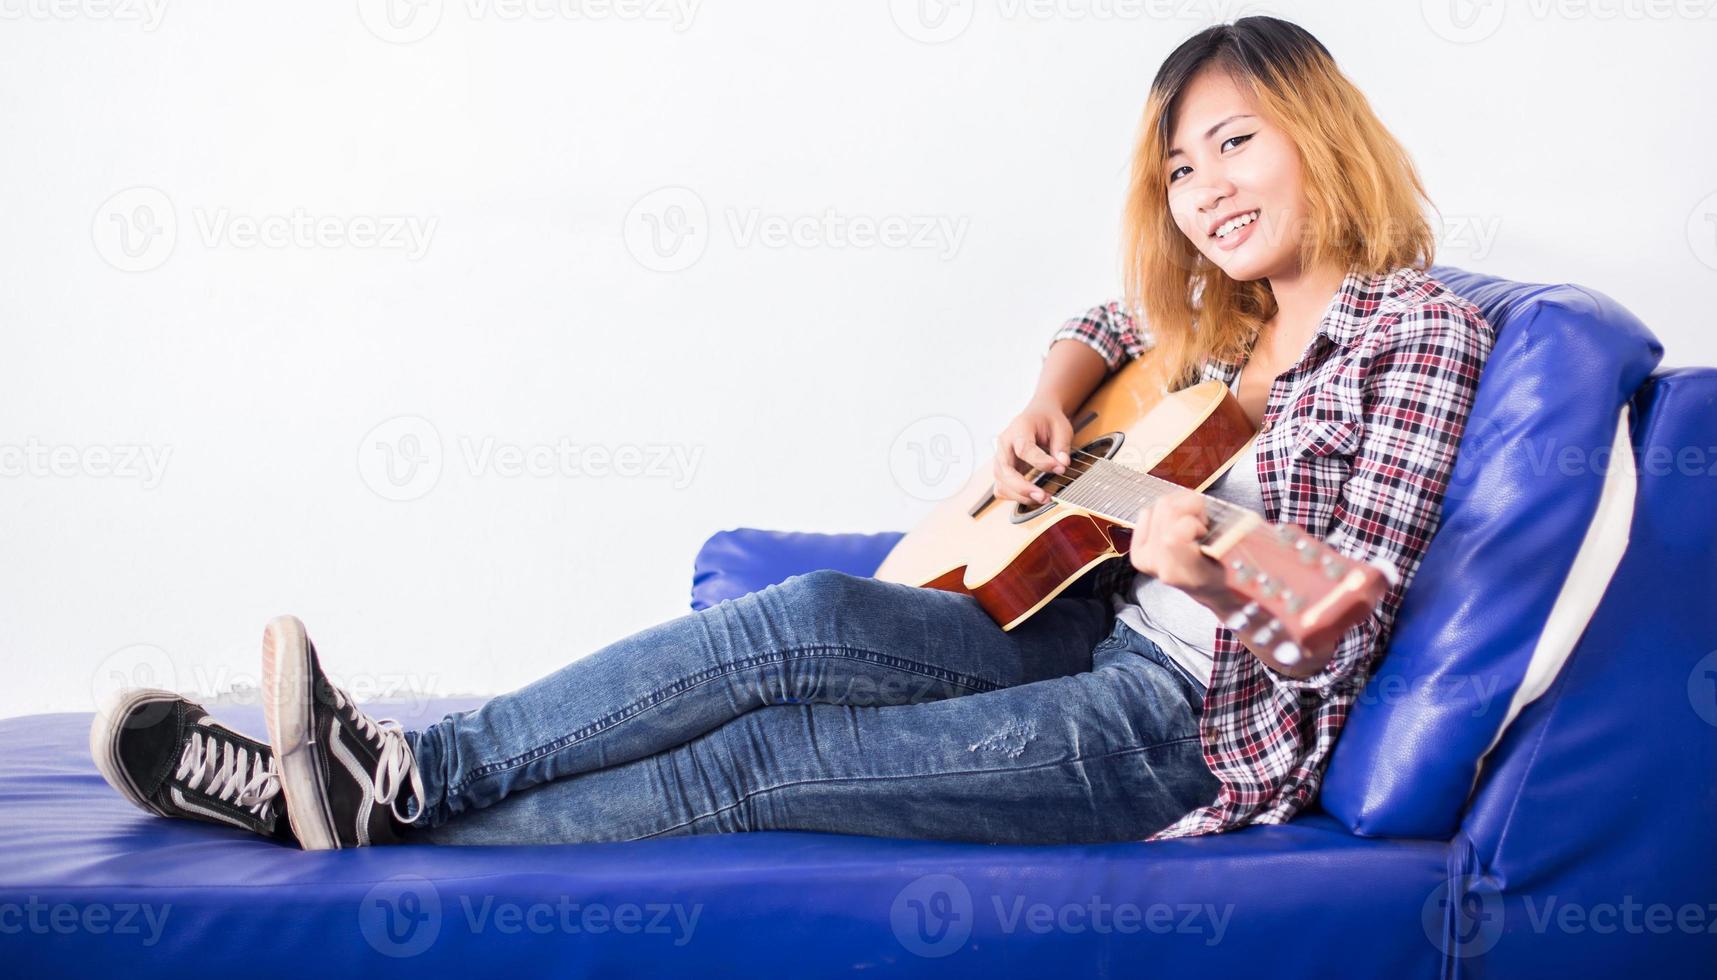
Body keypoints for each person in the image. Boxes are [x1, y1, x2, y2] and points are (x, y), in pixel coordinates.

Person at [88, 15, 1494, 850]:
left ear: (1320, 130)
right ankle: (399, 776)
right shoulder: (1222, 324)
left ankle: (315, 824)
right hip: (1080, 623)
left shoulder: (1419, 329)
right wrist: (1050, 402)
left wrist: (1212, 564)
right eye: (1178, 169)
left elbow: (1342, 630)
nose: (1202, 191)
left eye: (1235, 143)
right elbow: (1110, 323)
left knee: (770, 757)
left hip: (1180, 727)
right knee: (797, 618)